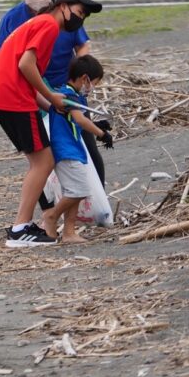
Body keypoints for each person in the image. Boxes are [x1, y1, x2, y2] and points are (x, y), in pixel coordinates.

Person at [0, 0, 102, 247]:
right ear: (63, 6)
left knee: (39, 160)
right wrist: (51, 97)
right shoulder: (49, 25)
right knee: (43, 160)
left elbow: (26, 71)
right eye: (80, 12)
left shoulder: (39, 22)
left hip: (7, 96)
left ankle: (23, 225)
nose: (80, 19)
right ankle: (20, 228)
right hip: (13, 99)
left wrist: (52, 105)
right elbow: (25, 66)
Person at [0, 0, 105, 187]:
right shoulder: (18, 19)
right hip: (35, 92)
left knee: (84, 144)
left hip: (64, 88)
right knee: (48, 154)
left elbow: (83, 45)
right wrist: (45, 94)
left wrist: (78, 77)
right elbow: (12, 61)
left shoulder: (64, 15)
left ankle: (94, 197)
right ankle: (56, 207)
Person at [43, 55, 114, 244]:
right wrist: (101, 134)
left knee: (74, 191)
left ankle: (69, 232)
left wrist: (98, 124)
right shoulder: (68, 96)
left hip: (73, 148)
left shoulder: (71, 96)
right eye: (94, 83)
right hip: (66, 149)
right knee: (79, 190)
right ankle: (51, 215)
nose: (92, 88)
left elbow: (76, 121)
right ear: (85, 79)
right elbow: (81, 120)